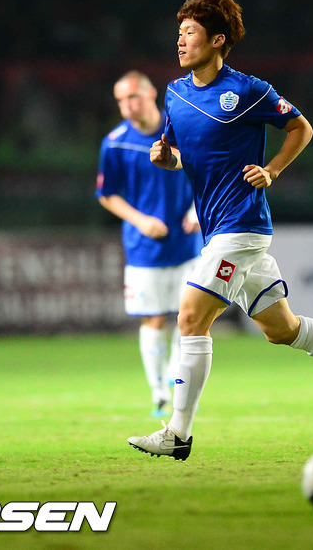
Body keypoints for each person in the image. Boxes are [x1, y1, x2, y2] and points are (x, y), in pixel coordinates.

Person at [127, 0, 313, 460]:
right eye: (179, 33)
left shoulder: (248, 90)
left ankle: (177, 434)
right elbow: (184, 157)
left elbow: (301, 128)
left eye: (190, 32)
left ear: (217, 40)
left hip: (241, 225)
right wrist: (166, 159)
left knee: (191, 317)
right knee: (282, 330)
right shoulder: (174, 93)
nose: (180, 41)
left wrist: (272, 170)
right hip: (218, 230)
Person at [96, 70, 202, 417]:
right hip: (144, 248)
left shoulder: (180, 128)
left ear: (151, 94)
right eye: (121, 100)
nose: (127, 105)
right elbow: (107, 194)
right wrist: (140, 221)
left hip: (187, 243)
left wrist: (196, 211)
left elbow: (207, 171)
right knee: (153, 319)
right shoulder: (115, 142)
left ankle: (174, 377)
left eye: (133, 97)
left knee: (188, 317)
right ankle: (159, 393)